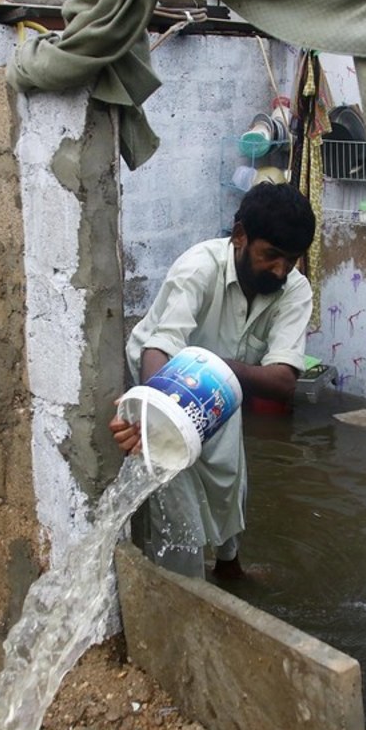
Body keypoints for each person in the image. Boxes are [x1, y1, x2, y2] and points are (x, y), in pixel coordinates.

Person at [109, 182, 316, 580]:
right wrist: (156, 412)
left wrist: (209, 370)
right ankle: (185, 588)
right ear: (240, 236)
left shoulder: (294, 290)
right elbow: (161, 346)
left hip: (222, 389)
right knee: (177, 498)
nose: (280, 270)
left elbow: (283, 383)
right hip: (162, 382)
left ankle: (229, 567)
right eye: (270, 255)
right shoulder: (199, 267)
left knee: (228, 476)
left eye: (290, 261)